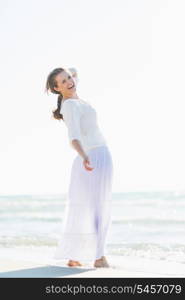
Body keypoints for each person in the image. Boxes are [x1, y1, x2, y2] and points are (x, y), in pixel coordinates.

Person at [45, 67, 114, 268]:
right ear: (57, 89)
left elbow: (75, 74)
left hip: (99, 154)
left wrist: (71, 72)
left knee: (90, 206)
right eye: (63, 81)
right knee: (98, 207)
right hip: (92, 156)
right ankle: (99, 258)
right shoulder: (70, 106)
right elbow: (73, 137)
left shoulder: (75, 99)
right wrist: (84, 156)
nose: (69, 81)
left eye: (69, 78)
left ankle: (75, 256)